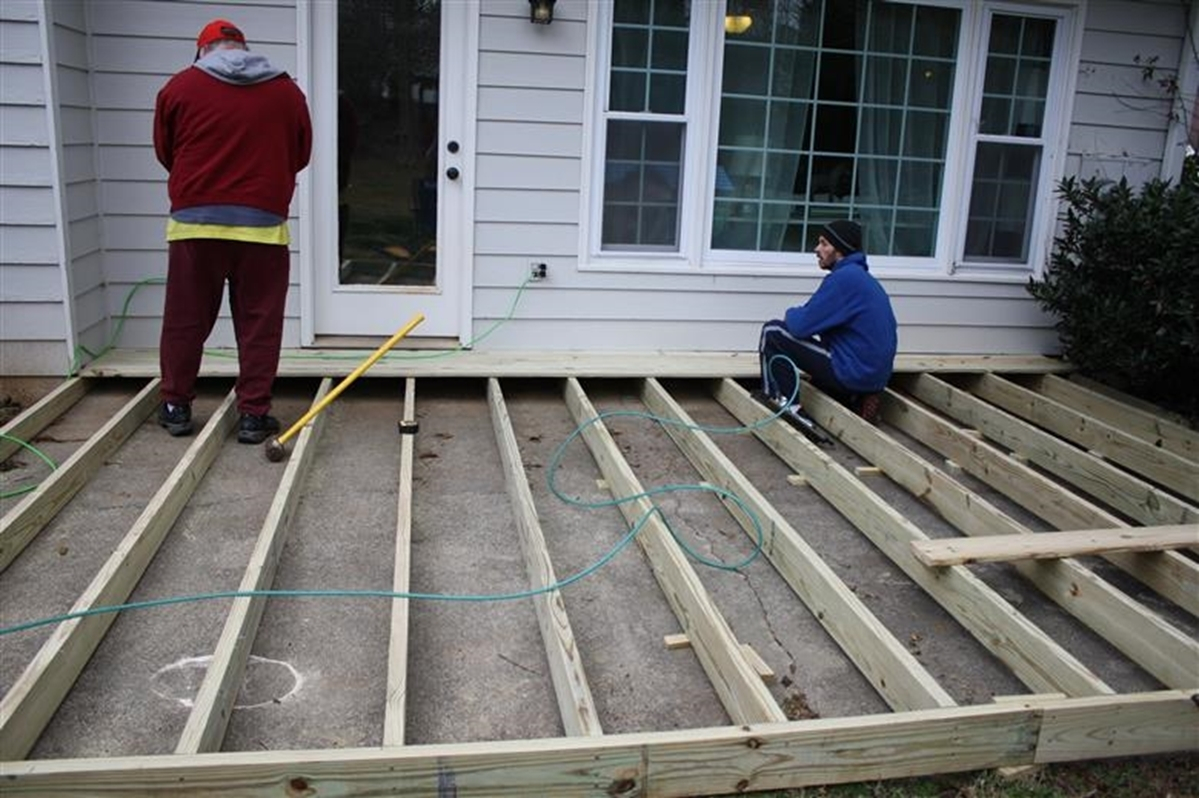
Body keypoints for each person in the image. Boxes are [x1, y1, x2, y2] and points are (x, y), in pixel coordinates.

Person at [153, 19, 312, 443]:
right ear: (244, 49)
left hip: (194, 225)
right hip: (261, 227)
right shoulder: (286, 92)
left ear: (203, 50)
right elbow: (300, 153)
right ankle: (254, 416)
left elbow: (166, 151)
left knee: (186, 319)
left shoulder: (179, 88)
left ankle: (176, 407)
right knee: (259, 323)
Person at [757, 219, 897, 424]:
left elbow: (800, 326)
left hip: (854, 371)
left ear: (840, 250)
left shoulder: (844, 279)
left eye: (824, 244)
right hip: (872, 376)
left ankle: (785, 403)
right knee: (821, 362)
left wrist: (790, 312)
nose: (817, 249)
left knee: (773, 332)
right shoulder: (862, 279)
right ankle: (856, 399)